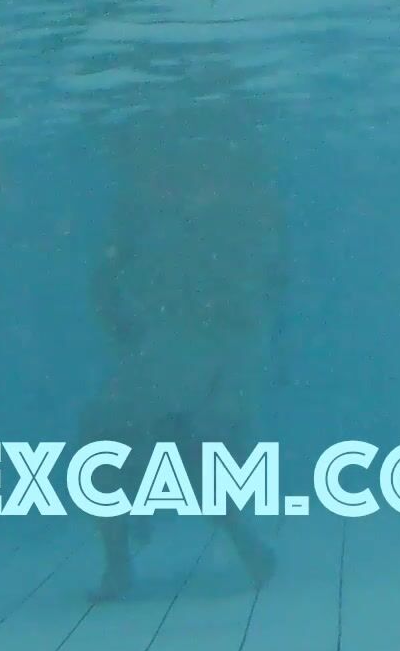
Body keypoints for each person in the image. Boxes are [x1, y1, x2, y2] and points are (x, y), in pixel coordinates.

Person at [80, 84, 287, 599]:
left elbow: (270, 279)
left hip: (213, 344)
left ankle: (228, 542)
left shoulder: (234, 201)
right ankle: (131, 556)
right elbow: (107, 280)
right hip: (175, 345)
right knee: (118, 439)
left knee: (189, 442)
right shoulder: (147, 204)